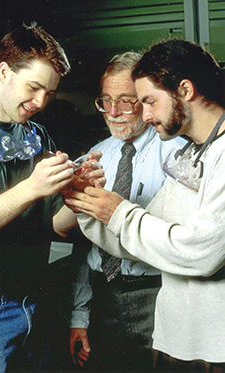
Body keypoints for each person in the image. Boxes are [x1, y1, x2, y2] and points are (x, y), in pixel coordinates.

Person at [64, 39, 225, 372]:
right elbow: (140, 240)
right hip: (180, 341)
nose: (145, 113)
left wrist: (117, 211)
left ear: (186, 89)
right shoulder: (189, 155)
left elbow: (203, 252)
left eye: (149, 101)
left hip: (215, 347)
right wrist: (86, 204)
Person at [0, 22, 104, 372]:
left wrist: (76, 195)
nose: (40, 102)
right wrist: (31, 188)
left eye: (49, 93)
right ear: (3, 72)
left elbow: (55, 226)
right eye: (33, 88)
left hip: (35, 301)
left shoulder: (36, 134)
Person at [69, 52, 185, 371]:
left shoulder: (178, 154)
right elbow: (86, 244)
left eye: (125, 101)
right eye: (105, 101)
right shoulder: (95, 158)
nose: (113, 112)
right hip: (103, 296)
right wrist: (79, 316)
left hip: (157, 295)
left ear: (146, 101)